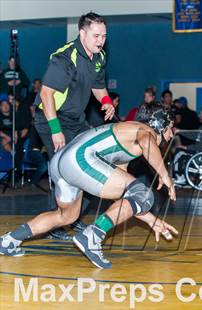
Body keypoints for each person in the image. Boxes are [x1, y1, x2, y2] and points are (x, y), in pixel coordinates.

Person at [0, 103, 178, 269]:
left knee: (66, 216)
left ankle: (9, 240)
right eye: (170, 128)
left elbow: (123, 197)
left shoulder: (127, 135)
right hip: (80, 159)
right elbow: (147, 142)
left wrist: (151, 220)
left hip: (62, 162)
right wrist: (165, 176)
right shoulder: (145, 131)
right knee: (144, 194)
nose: (171, 134)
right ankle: (93, 235)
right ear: (160, 124)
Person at [33, 12, 115, 240]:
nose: (100, 40)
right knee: (67, 172)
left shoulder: (99, 57)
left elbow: (98, 85)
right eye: (96, 35)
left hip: (76, 121)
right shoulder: (65, 58)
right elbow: (46, 94)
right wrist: (55, 129)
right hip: (52, 119)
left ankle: (72, 216)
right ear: (82, 33)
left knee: (93, 162)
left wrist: (106, 102)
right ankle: (58, 222)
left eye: (104, 36)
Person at [172, 106, 202, 184]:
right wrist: (179, 131)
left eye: (200, 113)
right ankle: (185, 176)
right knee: (180, 150)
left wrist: (186, 147)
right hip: (200, 151)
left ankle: (180, 177)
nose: (199, 115)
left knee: (179, 152)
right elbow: (194, 135)